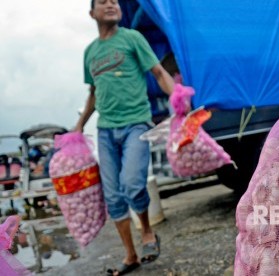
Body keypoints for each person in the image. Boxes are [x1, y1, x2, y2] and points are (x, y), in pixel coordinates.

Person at [74, 0, 174, 275]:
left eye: (114, 1)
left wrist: (176, 98)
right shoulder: (90, 52)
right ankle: (130, 255)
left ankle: (147, 233)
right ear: (91, 13)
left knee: (132, 183)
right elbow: (94, 93)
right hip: (105, 130)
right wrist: (79, 125)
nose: (111, 5)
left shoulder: (132, 38)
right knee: (114, 196)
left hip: (136, 125)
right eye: (103, 2)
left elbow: (158, 72)